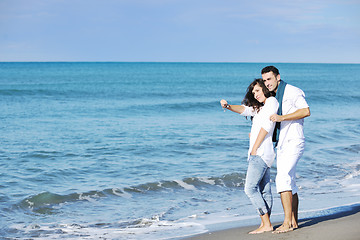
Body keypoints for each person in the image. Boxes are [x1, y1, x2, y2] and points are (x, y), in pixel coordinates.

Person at [220, 79, 279, 234]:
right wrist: (228, 106)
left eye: (258, 91)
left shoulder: (272, 101)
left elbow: (267, 126)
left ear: (265, 89)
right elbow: (245, 110)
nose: (255, 94)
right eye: (253, 92)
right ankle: (266, 223)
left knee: (250, 188)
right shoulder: (261, 108)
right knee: (264, 190)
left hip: (260, 153)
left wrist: (254, 148)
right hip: (265, 153)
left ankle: (266, 223)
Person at [261, 66, 310, 233]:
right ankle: (294, 221)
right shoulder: (274, 96)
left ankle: (287, 223)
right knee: (290, 181)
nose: (267, 83)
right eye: (265, 80)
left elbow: (305, 111)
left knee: (282, 179)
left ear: (278, 77)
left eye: (269, 79)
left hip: (294, 141)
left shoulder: (292, 91)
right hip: (282, 143)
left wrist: (282, 118)